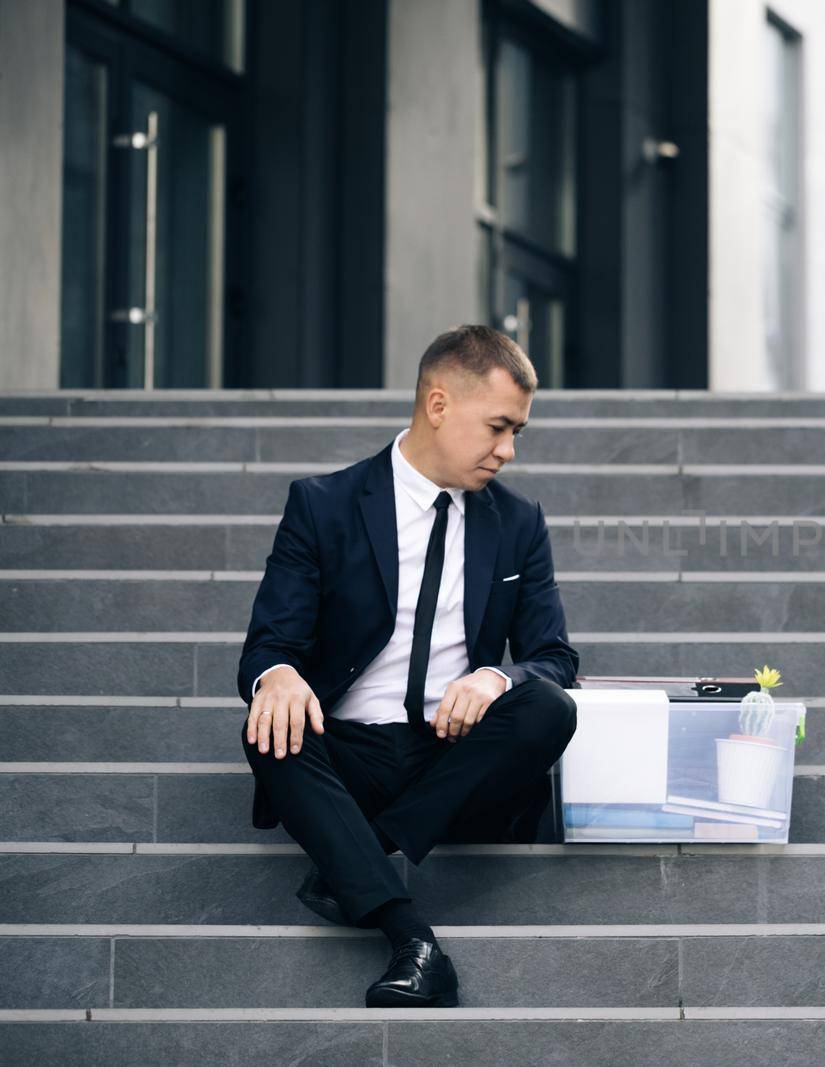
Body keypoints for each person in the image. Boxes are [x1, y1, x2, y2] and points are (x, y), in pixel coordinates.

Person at [238, 325, 579, 1008]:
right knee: (269, 724)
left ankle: (361, 857)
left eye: (518, 432)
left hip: (450, 759)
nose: (508, 450)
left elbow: (556, 658)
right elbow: (267, 643)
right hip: (350, 755)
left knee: (548, 705)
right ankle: (412, 938)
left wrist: (496, 677)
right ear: (439, 404)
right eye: (499, 427)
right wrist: (275, 673)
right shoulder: (325, 504)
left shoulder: (517, 523)